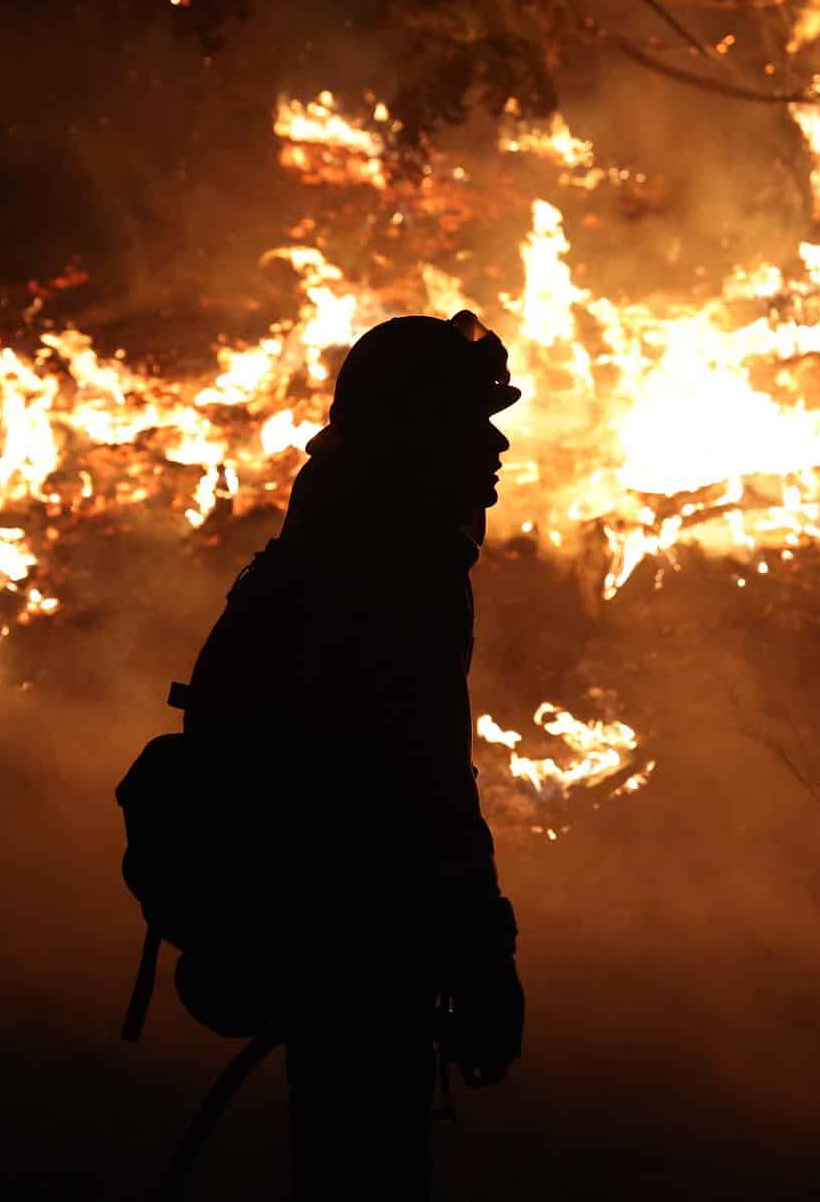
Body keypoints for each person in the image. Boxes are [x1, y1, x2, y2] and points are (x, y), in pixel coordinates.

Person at [179, 310, 525, 1200]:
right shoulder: (397, 569)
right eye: (473, 422)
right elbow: (426, 779)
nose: (496, 446)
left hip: (317, 930)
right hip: (356, 943)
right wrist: (484, 960)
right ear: (421, 432)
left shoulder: (324, 547)